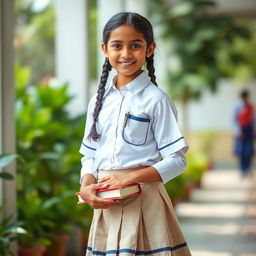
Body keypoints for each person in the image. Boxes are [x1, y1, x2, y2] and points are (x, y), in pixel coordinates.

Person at [79, 12, 191, 256]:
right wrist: (87, 185)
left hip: (145, 203)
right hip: (106, 202)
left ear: (150, 49)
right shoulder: (97, 102)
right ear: (105, 50)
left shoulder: (156, 100)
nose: (126, 54)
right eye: (117, 46)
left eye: (136, 45)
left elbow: (178, 161)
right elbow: (89, 155)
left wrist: (129, 178)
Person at [232, 90, 255, 177]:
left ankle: (247, 168)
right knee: (241, 151)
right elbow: (233, 120)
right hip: (240, 130)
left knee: (249, 151)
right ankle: (242, 170)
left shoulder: (250, 106)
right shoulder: (236, 107)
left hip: (249, 130)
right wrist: (237, 131)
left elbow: (253, 120)